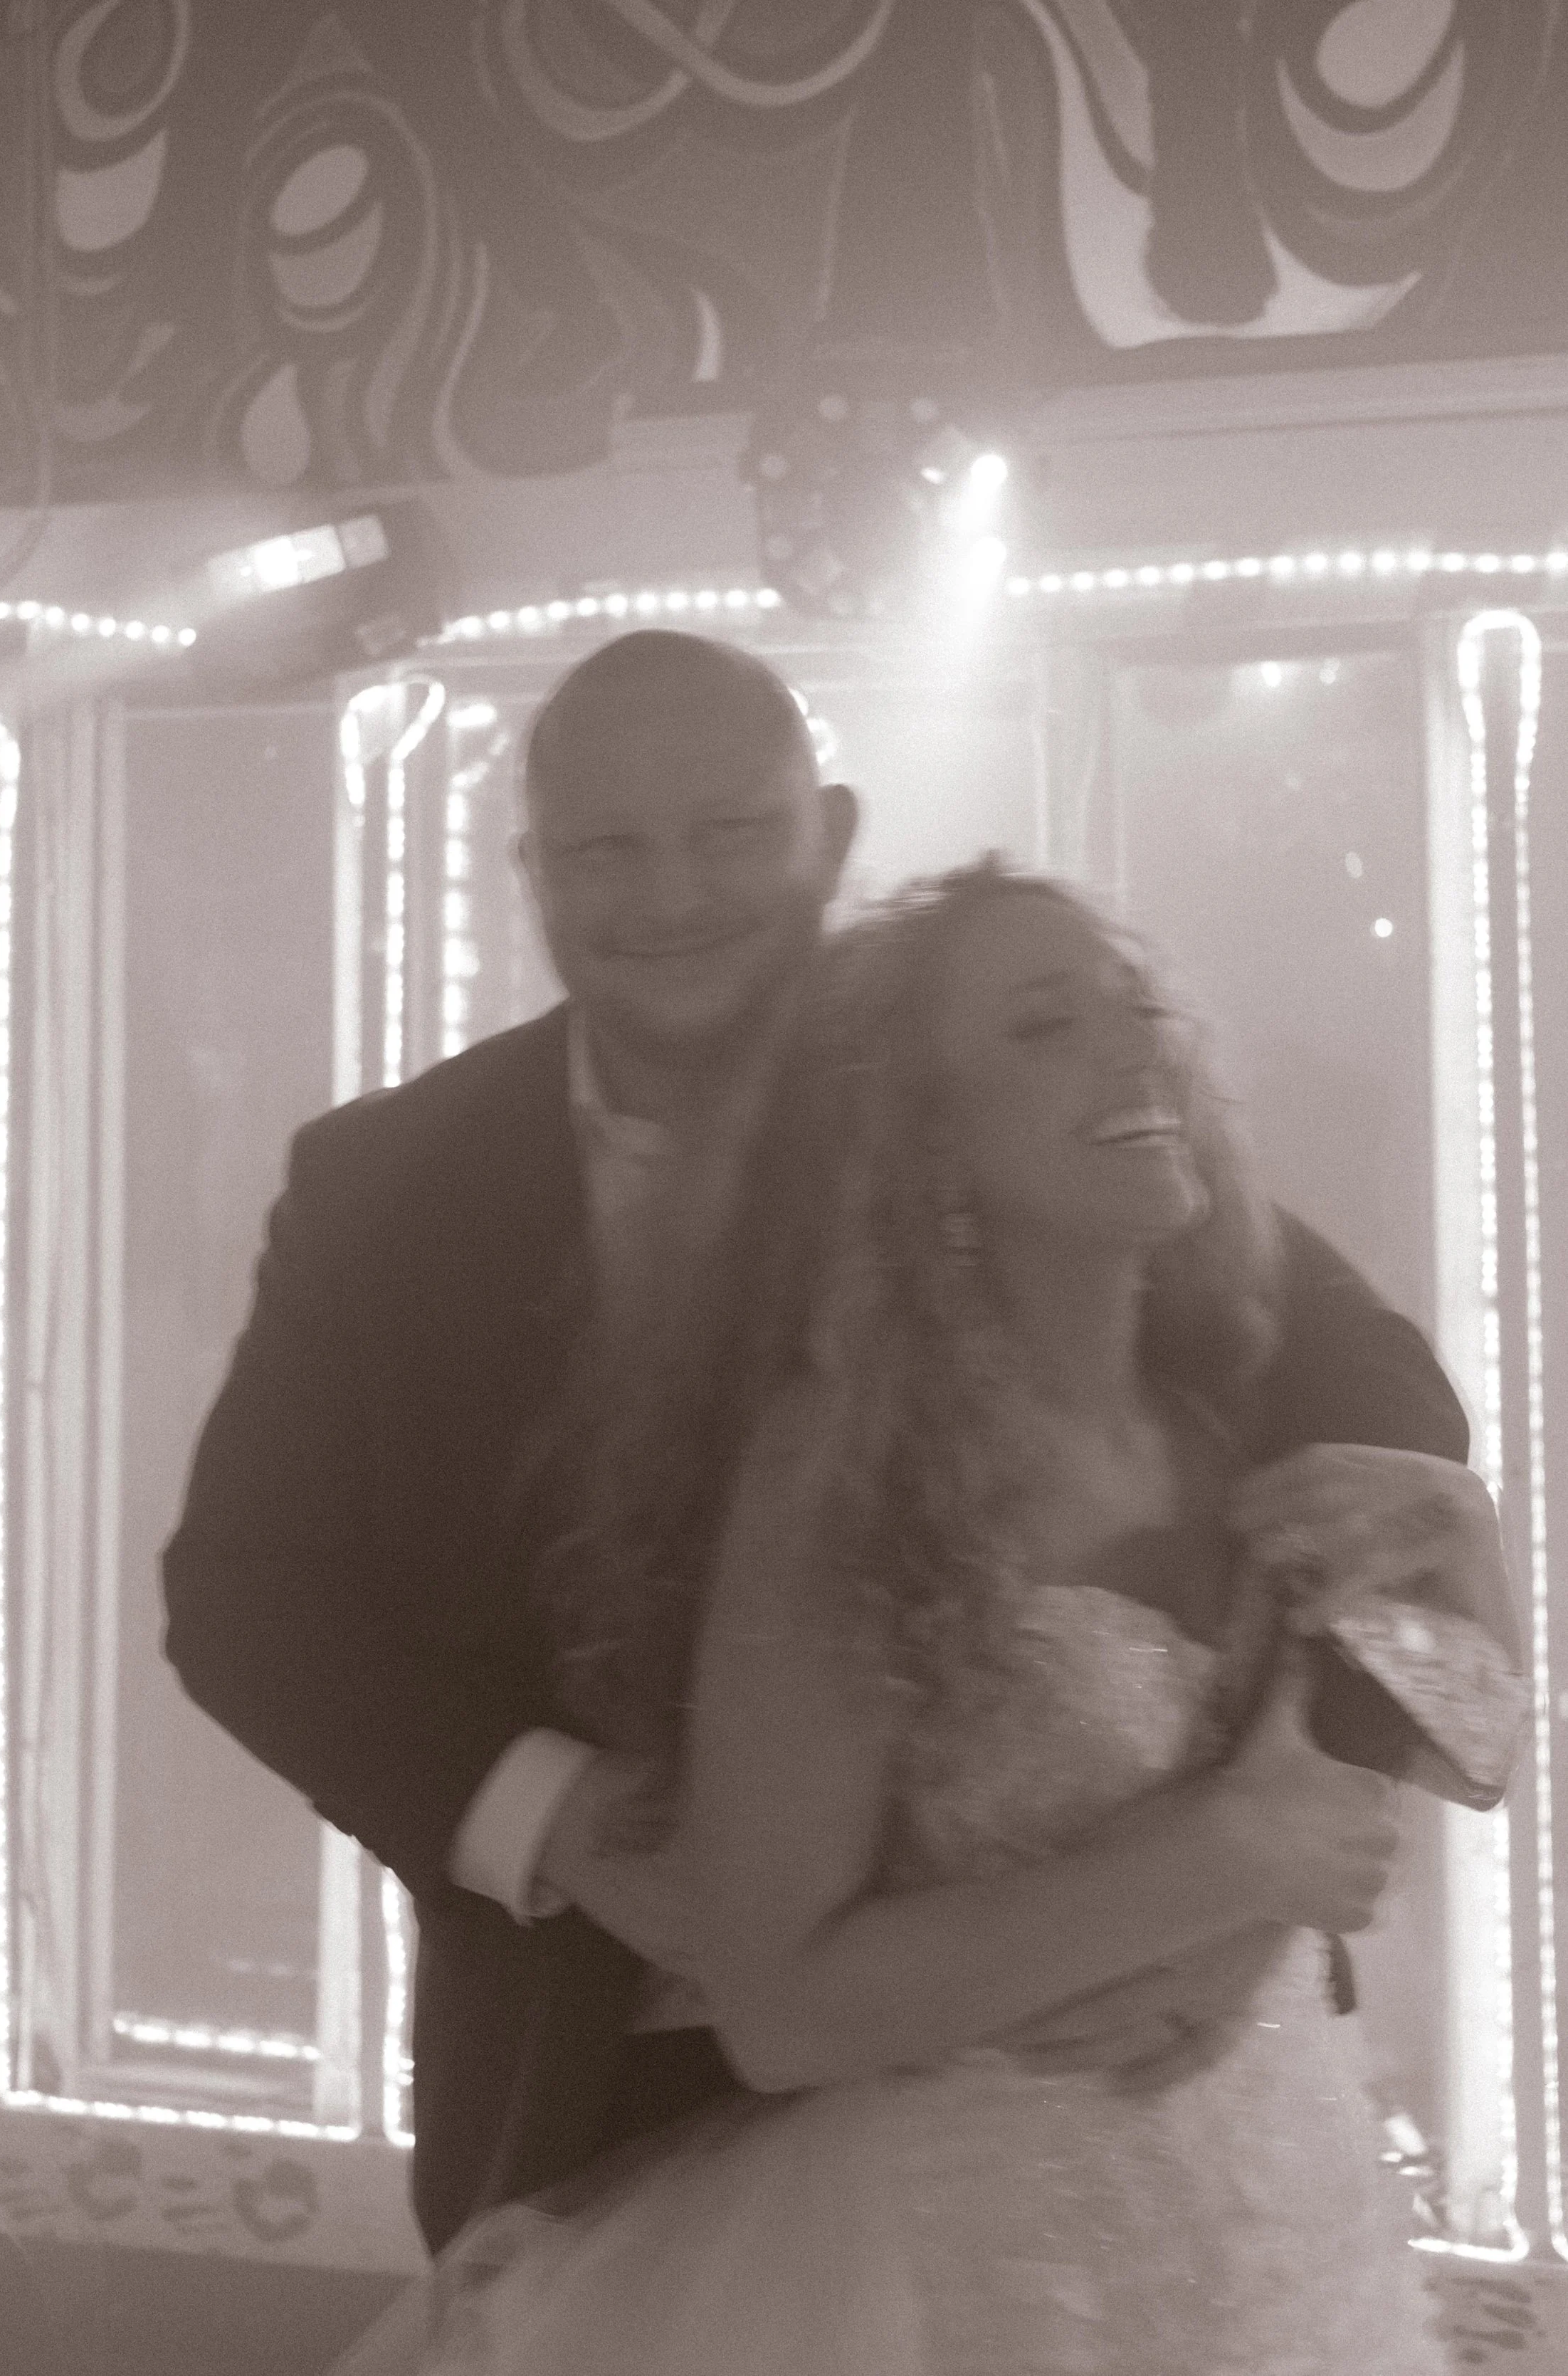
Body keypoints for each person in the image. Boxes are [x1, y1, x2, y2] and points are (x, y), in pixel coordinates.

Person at [161, 630, 1483, 2262]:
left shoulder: (987, 1074)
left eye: (728, 833)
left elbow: (1370, 1399)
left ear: (833, 834)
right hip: (600, 2082)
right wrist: (568, 1824)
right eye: (604, 850)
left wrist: (1264, 1851)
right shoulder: (383, 1187)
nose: (669, 897)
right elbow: (243, 1598)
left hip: (1110, 2057)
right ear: (528, 870)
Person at [339, 861, 1516, 2374]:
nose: (1134, 1046)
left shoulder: (1223, 1416)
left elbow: (1463, 1758)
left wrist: (1461, 1530)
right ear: (926, 1148)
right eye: (1044, 1026)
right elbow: (781, 2009)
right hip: (1000, 2284)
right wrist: (1215, 1863)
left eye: (1140, 1007)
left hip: (1294, 2227)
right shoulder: (850, 1480)